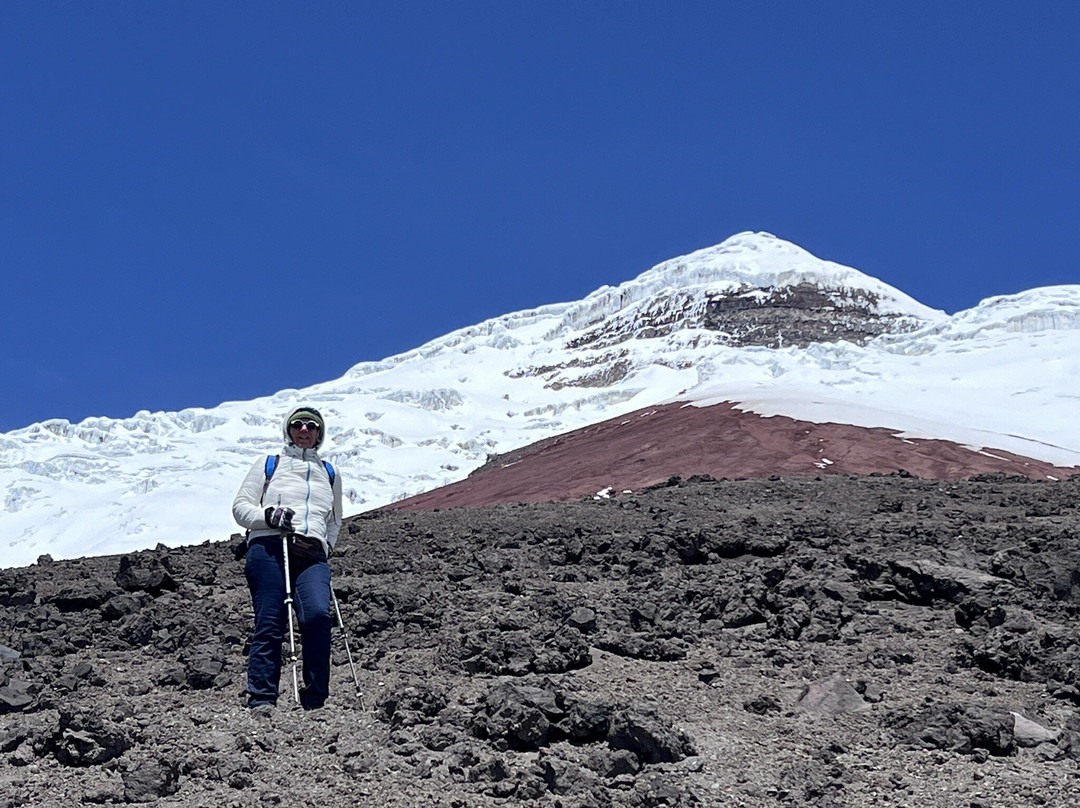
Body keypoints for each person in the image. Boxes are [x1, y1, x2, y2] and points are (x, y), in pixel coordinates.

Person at [232, 405, 342, 710]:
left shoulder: (329, 473)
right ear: (288, 430)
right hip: (269, 545)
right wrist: (269, 516)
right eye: (297, 425)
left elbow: (335, 519)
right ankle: (262, 698)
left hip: (311, 553)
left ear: (320, 433)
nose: (304, 430)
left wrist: (326, 544)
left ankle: (315, 699)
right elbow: (240, 507)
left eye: (311, 426)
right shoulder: (270, 464)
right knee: (271, 619)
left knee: (319, 615)